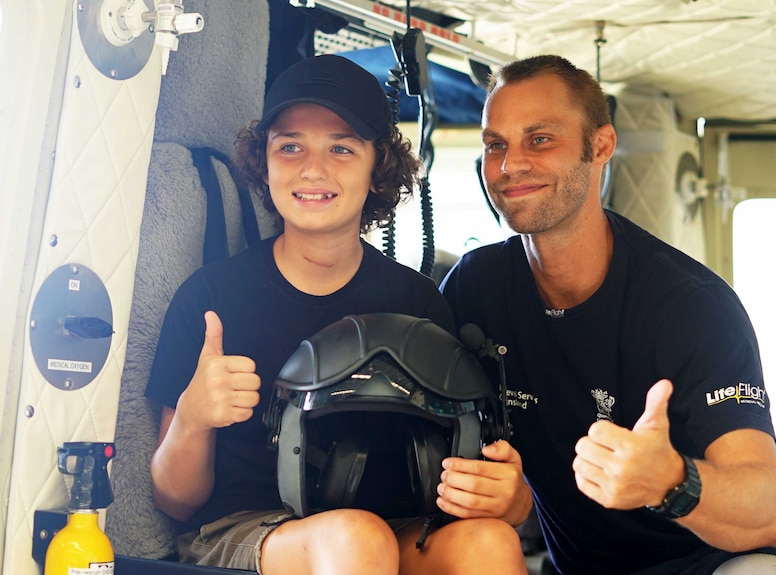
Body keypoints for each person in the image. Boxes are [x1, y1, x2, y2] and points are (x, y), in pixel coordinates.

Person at [437, 54, 776, 575]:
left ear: (600, 146)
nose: (510, 166)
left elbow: (770, 508)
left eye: (540, 139)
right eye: (495, 145)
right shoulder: (474, 288)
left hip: (713, 564)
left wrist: (670, 481)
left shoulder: (691, 304)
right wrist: (510, 502)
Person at [146, 54, 526, 575]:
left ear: (379, 169)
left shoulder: (418, 306)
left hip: (389, 526)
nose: (313, 168)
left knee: (489, 543)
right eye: (290, 146)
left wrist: (507, 497)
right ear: (265, 162)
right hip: (243, 531)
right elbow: (175, 502)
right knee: (354, 537)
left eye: (342, 148)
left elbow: (481, 486)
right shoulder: (209, 299)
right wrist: (192, 418)